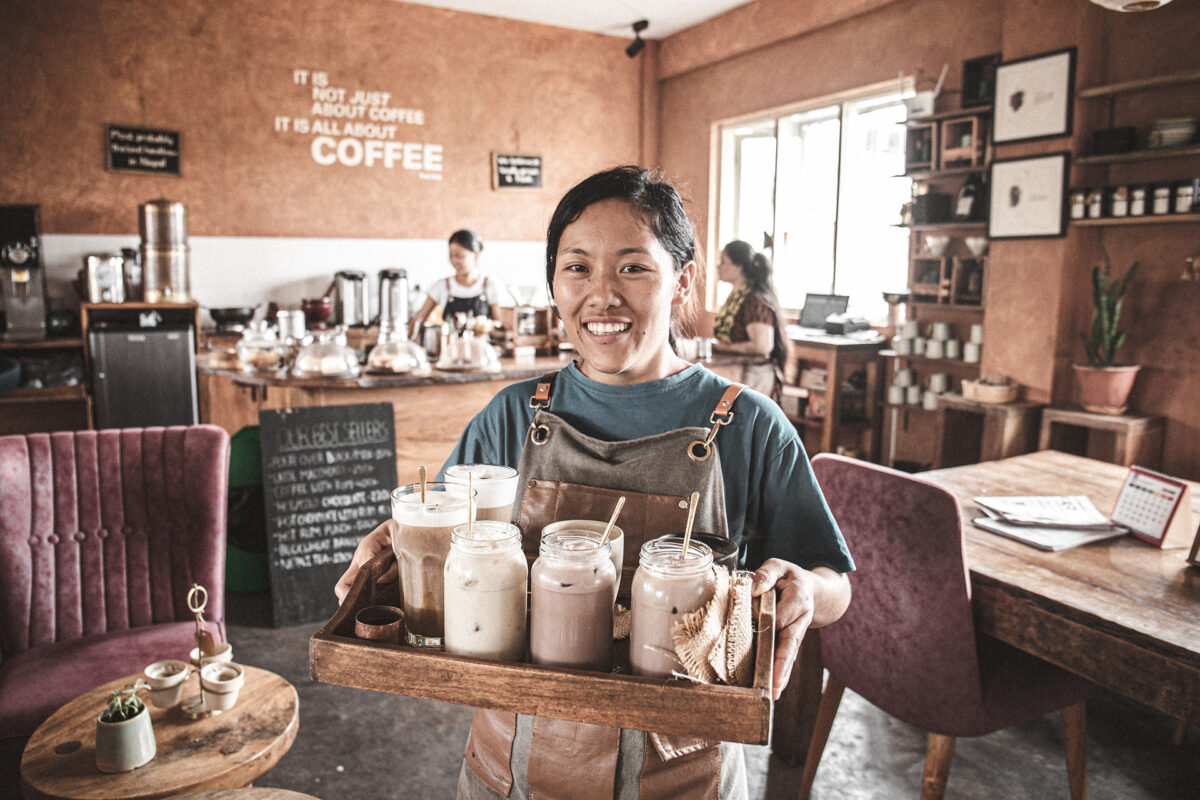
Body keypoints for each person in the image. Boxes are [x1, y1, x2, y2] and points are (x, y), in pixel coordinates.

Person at [335, 166, 853, 800]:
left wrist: (808, 591)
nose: (602, 295)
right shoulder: (512, 415)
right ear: (554, 283)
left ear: (683, 281)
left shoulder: (748, 424)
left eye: (633, 268)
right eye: (577, 268)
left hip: (685, 776)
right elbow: (438, 537)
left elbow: (833, 583)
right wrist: (389, 547)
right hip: (512, 766)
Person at [711, 240, 791, 400]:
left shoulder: (754, 300)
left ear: (738, 267)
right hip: (738, 371)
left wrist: (726, 346)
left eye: (723, 262)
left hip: (754, 375)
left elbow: (762, 346)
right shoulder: (736, 297)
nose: (718, 266)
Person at [408, 229, 503, 338]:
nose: (454, 261)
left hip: (482, 350)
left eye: (459, 256)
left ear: (475, 254)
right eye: (451, 255)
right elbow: (418, 320)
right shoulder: (441, 286)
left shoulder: (489, 284)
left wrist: (485, 326)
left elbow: (498, 324)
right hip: (450, 350)